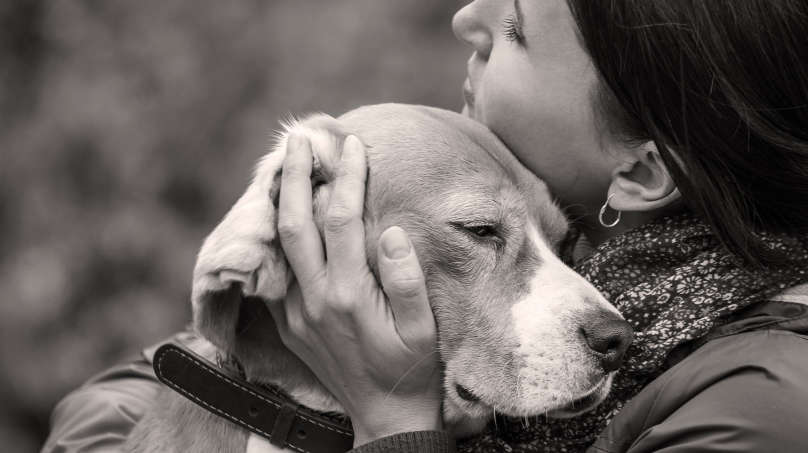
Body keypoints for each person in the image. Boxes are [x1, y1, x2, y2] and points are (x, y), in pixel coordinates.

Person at [43, 0, 808, 452]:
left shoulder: (763, 407)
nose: (465, 16)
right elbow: (106, 408)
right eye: (485, 231)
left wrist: (394, 415)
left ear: (641, 171)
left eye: (514, 31)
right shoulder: (563, 240)